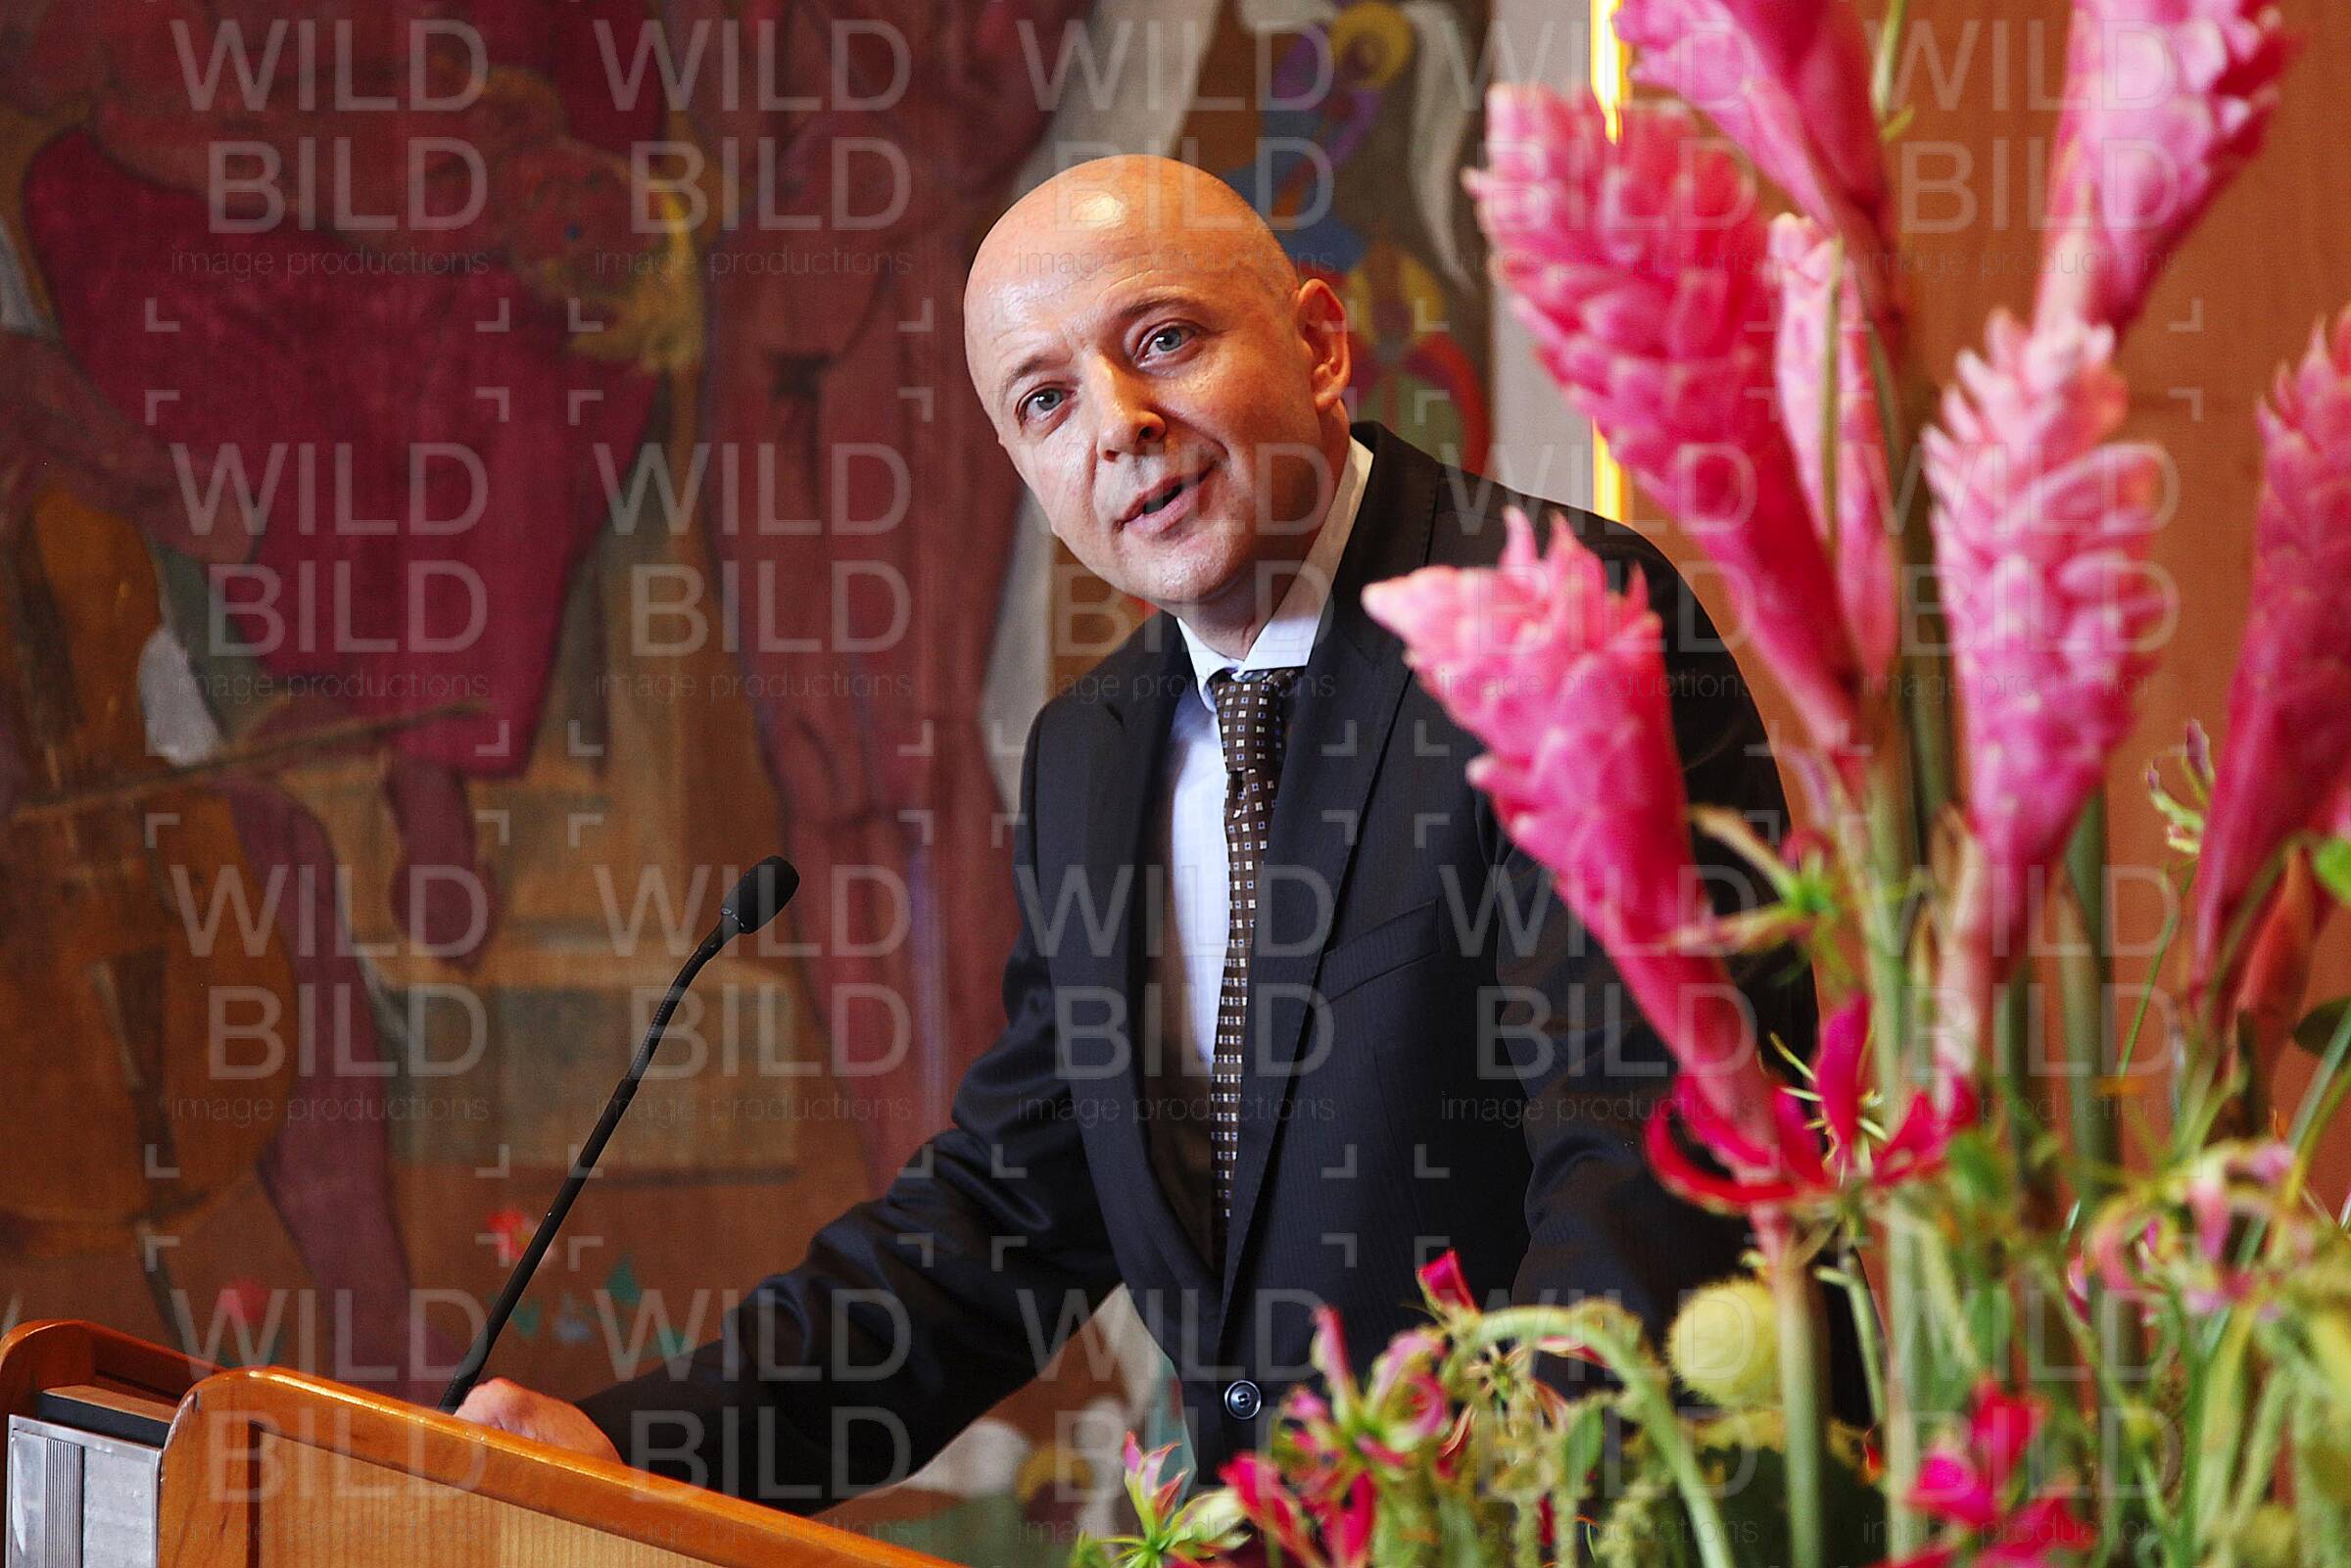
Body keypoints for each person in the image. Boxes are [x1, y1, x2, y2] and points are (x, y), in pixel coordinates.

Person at [457, 154, 1818, 1509]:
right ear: (1024, 468)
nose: (1119, 425)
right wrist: (631, 1453)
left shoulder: (1553, 617)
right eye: (1046, 400)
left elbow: (1652, 1152)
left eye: (1164, 340)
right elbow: (1003, 1218)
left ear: (1320, 346)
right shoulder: (1089, 759)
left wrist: (1518, 1506)